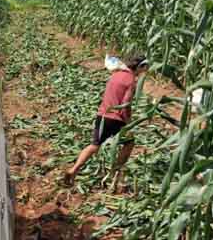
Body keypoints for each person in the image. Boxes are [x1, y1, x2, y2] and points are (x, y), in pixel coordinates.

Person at [64, 55, 149, 190]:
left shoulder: (115, 75)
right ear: (139, 67)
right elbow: (125, 104)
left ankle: (73, 170)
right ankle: (114, 172)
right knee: (129, 143)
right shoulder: (132, 80)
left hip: (102, 115)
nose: (144, 71)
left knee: (94, 145)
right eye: (144, 68)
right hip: (116, 118)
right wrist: (128, 123)